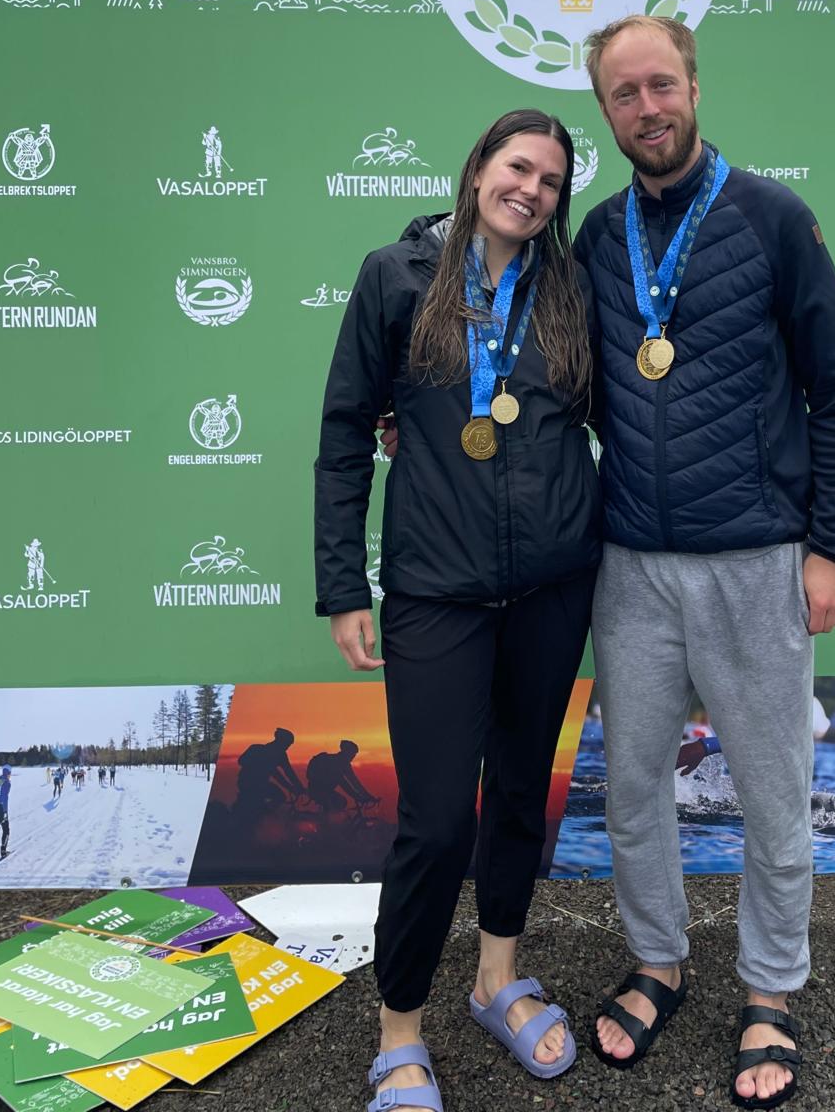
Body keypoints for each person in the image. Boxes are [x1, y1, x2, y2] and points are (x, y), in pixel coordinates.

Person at [574, 16, 835, 1112]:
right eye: (624, 94)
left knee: (774, 797)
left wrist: (832, 546)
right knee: (633, 791)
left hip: (756, 558)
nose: (646, 108)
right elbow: (554, 373)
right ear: (606, 111)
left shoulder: (775, 217)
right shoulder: (597, 235)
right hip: (632, 565)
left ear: (694, 87)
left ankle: (769, 989)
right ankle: (659, 963)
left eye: (661, 84)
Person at [316, 110, 601, 1112]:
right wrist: (342, 584)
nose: (531, 190)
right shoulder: (395, 278)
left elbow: (608, 414)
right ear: (479, 168)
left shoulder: (568, 288)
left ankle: (496, 978)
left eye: (552, 181)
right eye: (518, 167)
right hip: (437, 591)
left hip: (553, 587)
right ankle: (399, 1032)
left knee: (520, 792)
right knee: (437, 822)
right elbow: (346, 431)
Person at [235, 728, 305, 818]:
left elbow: (289, 772)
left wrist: (299, 787)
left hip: (260, 784)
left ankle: (263, 814)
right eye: (286, 744)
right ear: (280, 741)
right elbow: (241, 761)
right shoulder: (256, 749)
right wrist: (259, 765)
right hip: (248, 783)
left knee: (279, 797)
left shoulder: (281, 755)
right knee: (279, 797)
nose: (287, 747)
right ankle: (262, 815)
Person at [306, 739, 380, 814]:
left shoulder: (343, 763)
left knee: (339, 804)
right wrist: (358, 797)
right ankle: (328, 820)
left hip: (319, 789)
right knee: (340, 802)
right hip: (318, 790)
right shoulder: (337, 763)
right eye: (352, 754)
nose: (353, 756)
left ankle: (327, 818)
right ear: (347, 752)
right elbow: (344, 783)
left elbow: (355, 782)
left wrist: (368, 796)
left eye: (354, 754)